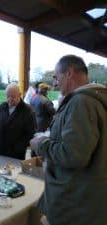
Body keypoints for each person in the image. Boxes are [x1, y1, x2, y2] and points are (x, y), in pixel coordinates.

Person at [30, 55, 107, 225]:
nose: (55, 83)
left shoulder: (81, 102)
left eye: (56, 77)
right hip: (90, 201)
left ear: (69, 73)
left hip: (74, 205)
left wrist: (41, 144)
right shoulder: (95, 99)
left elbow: (74, 155)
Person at [0, 83, 36, 160]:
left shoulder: (27, 111)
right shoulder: (2, 107)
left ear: (19, 95)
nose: (10, 99)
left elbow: (30, 133)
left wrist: (18, 148)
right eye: (8, 96)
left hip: (16, 154)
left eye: (13, 96)